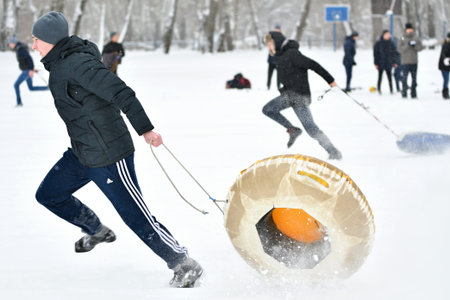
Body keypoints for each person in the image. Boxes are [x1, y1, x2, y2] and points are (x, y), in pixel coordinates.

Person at [31, 12, 202, 288]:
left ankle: (183, 262)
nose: (34, 45)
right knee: (49, 194)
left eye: (36, 39)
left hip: (110, 154)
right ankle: (96, 230)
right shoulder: (60, 64)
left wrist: (145, 129)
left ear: (50, 40)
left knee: (136, 215)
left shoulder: (78, 64)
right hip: (82, 152)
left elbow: (121, 92)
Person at [262, 31, 342, 160]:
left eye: (270, 43)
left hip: (297, 95)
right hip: (291, 95)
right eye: (267, 45)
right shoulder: (280, 56)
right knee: (269, 110)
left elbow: (313, 65)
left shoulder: (292, 54)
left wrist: (330, 80)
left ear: (276, 41)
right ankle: (294, 131)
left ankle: (332, 151)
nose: (269, 47)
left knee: (310, 128)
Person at [9, 35, 48, 107]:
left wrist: (30, 70)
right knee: (31, 88)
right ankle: (48, 88)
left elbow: (29, 58)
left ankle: (19, 103)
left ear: (14, 43)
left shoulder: (21, 49)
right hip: (27, 70)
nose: (9, 45)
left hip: (26, 71)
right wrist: (32, 69)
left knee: (16, 85)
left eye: (10, 43)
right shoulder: (18, 48)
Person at [398, 23, 424, 99]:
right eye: (408, 29)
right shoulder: (402, 38)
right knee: (404, 78)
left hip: (414, 61)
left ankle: (413, 93)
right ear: (406, 30)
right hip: (405, 62)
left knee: (414, 79)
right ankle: (404, 92)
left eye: (411, 29)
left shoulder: (416, 37)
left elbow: (421, 47)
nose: (409, 30)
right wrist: (407, 45)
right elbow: (399, 49)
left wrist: (414, 46)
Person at [373, 30, 398, 94]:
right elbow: (375, 54)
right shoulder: (378, 43)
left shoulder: (391, 43)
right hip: (381, 63)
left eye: (388, 35)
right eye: (386, 34)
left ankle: (391, 90)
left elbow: (394, 53)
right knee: (380, 77)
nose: (388, 36)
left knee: (389, 77)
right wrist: (376, 63)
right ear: (383, 35)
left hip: (389, 63)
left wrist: (394, 62)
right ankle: (379, 89)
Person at [266, 24, 282, 90]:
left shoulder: (279, 36)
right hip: (274, 59)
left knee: (277, 75)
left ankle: (277, 86)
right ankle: (269, 86)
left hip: (277, 59)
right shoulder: (271, 36)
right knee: (271, 74)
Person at [438, 32, 450, 99]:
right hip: (444, 65)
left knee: (446, 79)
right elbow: (443, 55)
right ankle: (445, 93)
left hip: (446, 65)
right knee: (446, 79)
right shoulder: (445, 45)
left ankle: (445, 92)